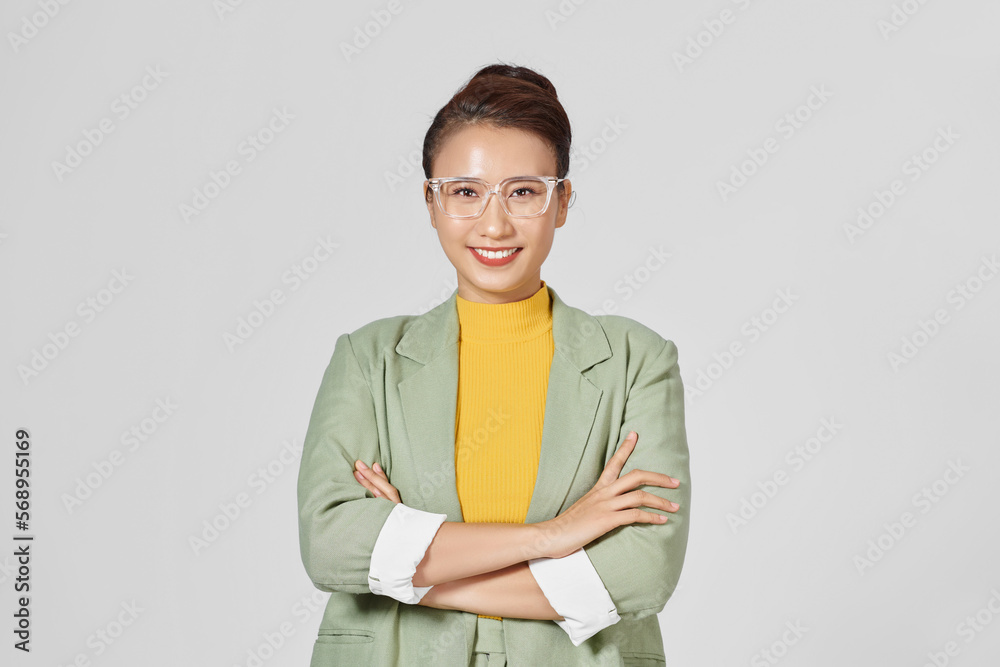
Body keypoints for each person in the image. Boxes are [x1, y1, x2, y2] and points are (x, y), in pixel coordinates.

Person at [297, 63, 691, 666]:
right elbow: (330, 545)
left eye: (524, 191)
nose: (494, 223)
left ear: (562, 201)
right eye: (465, 192)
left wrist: (409, 573)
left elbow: (640, 572)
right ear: (431, 203)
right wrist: (553, 537)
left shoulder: (637, 360)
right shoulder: (368, 358)